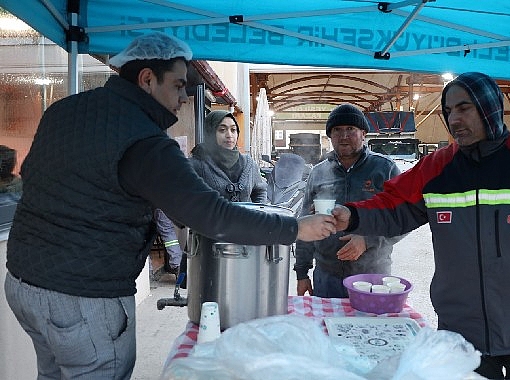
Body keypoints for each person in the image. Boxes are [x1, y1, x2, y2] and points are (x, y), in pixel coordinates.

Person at [4, 32, 335, 380]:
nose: (182, 97)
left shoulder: (63, 110)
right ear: (147, 79)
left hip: (24, 283)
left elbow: (32, 176)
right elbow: (211, 215)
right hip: (82, 299)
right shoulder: (145, 141)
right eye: (177, 86)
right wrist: (295, 228)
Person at [331, 72, 510, 380]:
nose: (454, 118)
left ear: (489, 108)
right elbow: (394, 205)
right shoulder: (437, 168)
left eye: (464, 108)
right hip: (461, 330)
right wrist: (353, 214)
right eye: (449, 111)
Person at [294, 104, 403, 298]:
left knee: (370, 327)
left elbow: (403, 219)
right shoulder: (318, 173)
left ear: (363, 133)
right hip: (327, 276)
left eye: (350, 129)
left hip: (372, 276)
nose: (343, 135)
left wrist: (367, 240)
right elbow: (304, 222)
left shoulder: (384, 169)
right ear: (330, 135)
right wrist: (302, 272)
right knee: (325, 327)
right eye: (337, 130)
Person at [190, 110, 267, 203]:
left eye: (233, 130)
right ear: (210, 133)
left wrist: (258, 212)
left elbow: (260, 191)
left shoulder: (248, 164)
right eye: (222, 130)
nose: (229, 135)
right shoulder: (196, 165)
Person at [152, 208, 183, 277]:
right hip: (171, 204)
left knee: (167, 232)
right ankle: (178, 264)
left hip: (161, 205)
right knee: (168, 233)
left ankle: (177, 264)